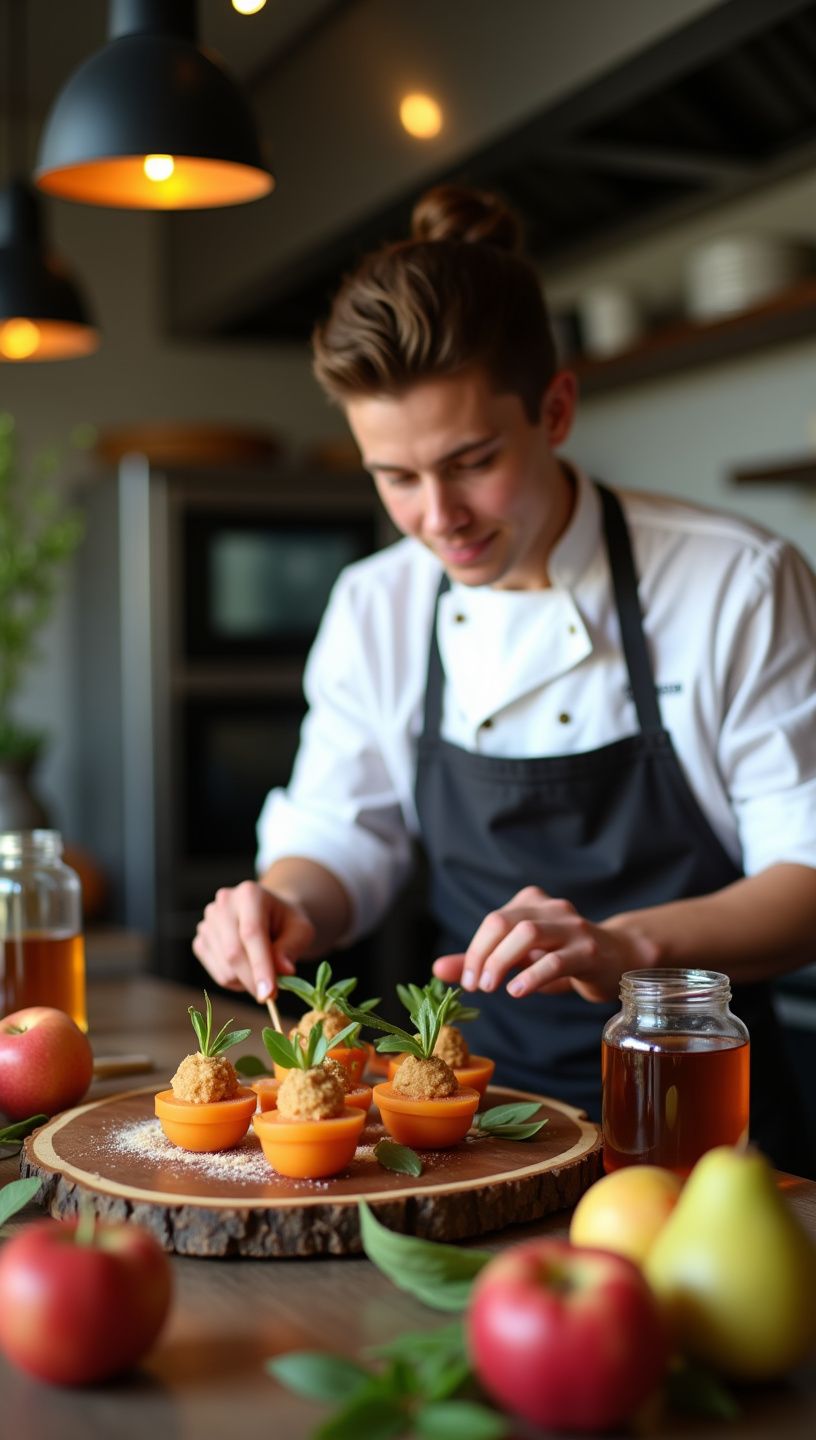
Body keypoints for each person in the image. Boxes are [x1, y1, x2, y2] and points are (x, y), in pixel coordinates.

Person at [193, 183, 816, 1173]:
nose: (438, 515)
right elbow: (341, 835)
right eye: (394, 476)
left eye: (471, 461)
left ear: (556, 408)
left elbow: (807, 878)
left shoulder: (733, 582)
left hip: (702, 1126)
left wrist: (626, 950)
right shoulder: (377, 603)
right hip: (467, 1130)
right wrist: (286, 905)